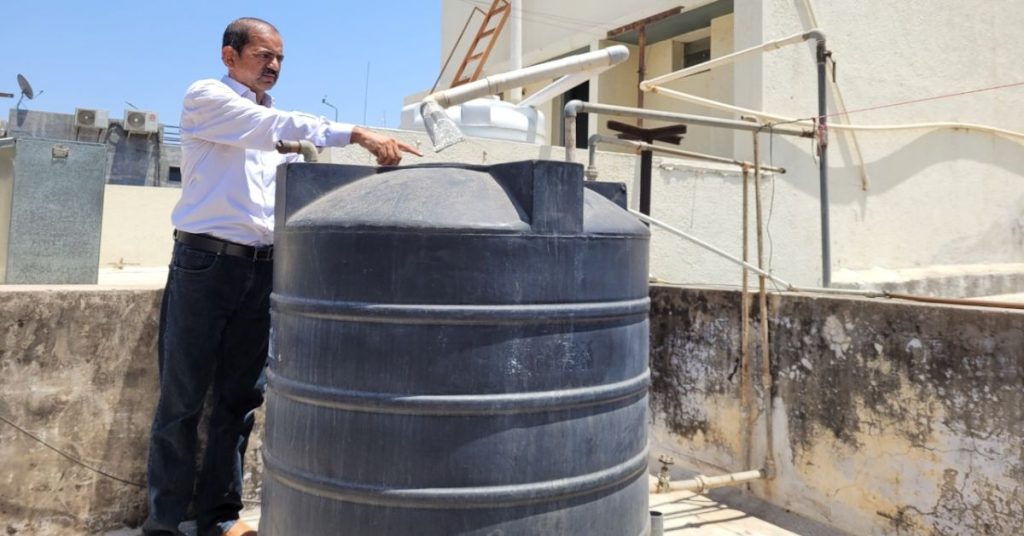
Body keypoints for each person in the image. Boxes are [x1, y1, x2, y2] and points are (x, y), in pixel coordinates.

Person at [142, 17, 421, 536]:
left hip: (261, 267)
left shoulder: (268, 119)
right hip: (205, 265)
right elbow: (274, 128)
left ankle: (219, 519)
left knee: (240, 399)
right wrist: (355, 132)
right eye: (262, 56)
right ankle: (162, 522)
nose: (272, 66)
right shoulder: (208, 98)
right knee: (181, 399)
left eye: (278, 60)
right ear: (230, 56)